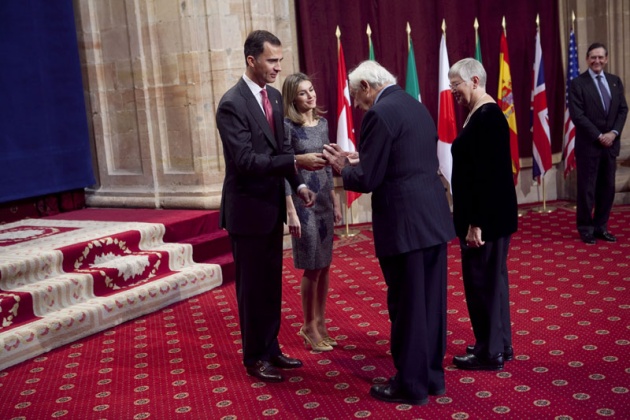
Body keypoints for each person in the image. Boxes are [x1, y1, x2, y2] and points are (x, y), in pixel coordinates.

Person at [323, 61, 455, 406]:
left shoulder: (379, 115)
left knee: (407, 307)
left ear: (367, 84)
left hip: (404, 226)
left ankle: (410, 386)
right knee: (431, 305)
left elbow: (369, 179)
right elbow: (400, 160)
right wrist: (359, 160)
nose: (357, 103)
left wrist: (341, 167)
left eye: (357, 95)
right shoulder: (415, 105)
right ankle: (432, 378)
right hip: (432, 220)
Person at [216, 30, 327, 383]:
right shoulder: (231, 104)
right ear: (252, 60)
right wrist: (298, 162)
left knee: (272, 284)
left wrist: (301, 186)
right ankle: (254, 358)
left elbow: (282, 152)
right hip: (246, 211)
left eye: (280, 60)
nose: (279, 67)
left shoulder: (276, 98)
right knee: (252, 288)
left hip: (271, 209)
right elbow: (247, 160)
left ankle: (272, 348)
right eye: (272, 61)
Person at [447, 58, 518, 371]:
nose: (453, 92)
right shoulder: (483, 114)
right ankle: (499, 343)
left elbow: (487, 177)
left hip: (484, 220)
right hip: (492, 217)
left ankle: (489, 353)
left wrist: (475, 224)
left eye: (456, 85)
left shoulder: (487, 117)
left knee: (482, 284)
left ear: (475, 80)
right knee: (493, 281)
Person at [281, 73, 342, 352]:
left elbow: (329, 164)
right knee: (312, 266)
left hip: (324, 201)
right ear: (293, 98)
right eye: (304, 93)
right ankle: (308, 325)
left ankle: (321, 322)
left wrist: (335, 199)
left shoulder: (323, 123)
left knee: (325, 263)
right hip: (302, 201)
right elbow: (285, 170)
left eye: (312, 89)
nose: (311, 95)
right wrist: (290, 210)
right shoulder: (287, 127)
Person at [568, 43, 628, 244]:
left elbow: (622, 109)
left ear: (606, 59)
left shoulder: (614, 82)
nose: (597, 61)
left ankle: (601, 227)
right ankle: (586, 228)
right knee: (587, 189)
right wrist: (599, 135)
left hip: (610, 146)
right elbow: (578, 115)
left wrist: (613, 133)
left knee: (608, 188)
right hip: (589, 146)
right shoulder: (578, 83)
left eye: (601, 57)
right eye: (593, 57)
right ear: (587, 59)